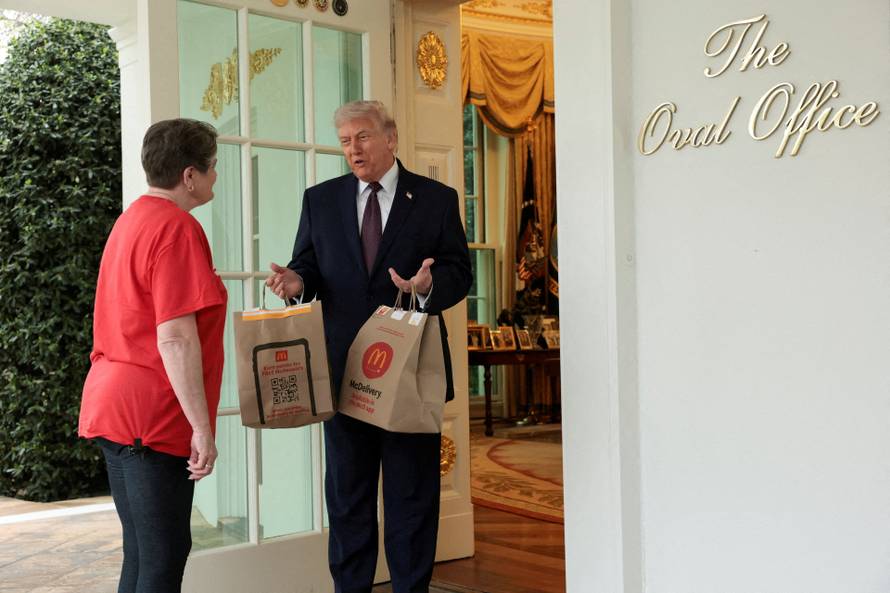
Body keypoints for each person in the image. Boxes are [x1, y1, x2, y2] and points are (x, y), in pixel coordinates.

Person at [267, 100, 472, 593]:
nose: (352, 149)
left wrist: (426, 285)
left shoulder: (436, 199)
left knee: (412, 499)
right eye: (344, 141)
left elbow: (460, 274)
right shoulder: (321, 199)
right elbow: (309, 268)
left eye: (361, 137)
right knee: (348, 499)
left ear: (390, 138)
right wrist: (297, 283)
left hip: (410, 374)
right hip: (342, 375)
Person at [79, 119, 227, 593]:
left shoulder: (131, 219)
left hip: (112, 404)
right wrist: (201, 428)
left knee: (142, 552)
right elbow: (175, 339)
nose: (215, 177)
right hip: (152, 414)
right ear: (189, 176)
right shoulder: (177, 229)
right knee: (163, 557)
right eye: (213, 168)